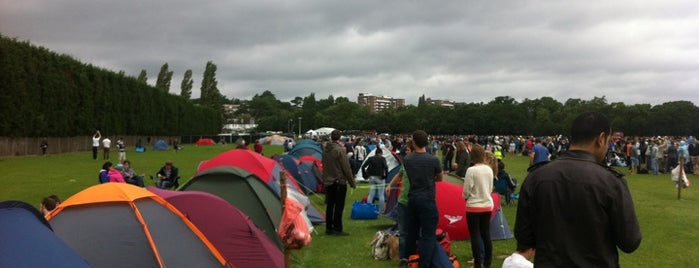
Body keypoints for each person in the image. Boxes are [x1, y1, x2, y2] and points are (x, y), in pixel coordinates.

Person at [515, 111, 642, 267]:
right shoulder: (611, 181)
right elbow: (630, 241)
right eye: (608, 141)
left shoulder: (536, 177)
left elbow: (524, 237)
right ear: (601, 139)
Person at [404, 130, 443, 268]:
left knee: (411, 233)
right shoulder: (433, 160)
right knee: (427, 235)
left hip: (413, 198)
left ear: (414, 142)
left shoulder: (407, 159)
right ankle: (424, 264)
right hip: (427, 199)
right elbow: (440, 177)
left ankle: (408, 259)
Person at [463, 144, 494, 268]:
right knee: (486, 234)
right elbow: (490, 188)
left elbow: (466, 190)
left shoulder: (471, 170)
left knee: (475, 235)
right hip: (486, 205)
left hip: (473, 206)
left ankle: (477, 263)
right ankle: (487, 263)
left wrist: (466, 197)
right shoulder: (489, 170)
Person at [385, 140, 414, 266]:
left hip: (414, 201)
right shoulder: (406, 163)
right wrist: (390, 185)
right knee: (402, 231)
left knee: (412, 230)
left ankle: (413, 255)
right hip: (403, 201)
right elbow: (399, 174)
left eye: (407, 150)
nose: (406, 152)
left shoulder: (418, 163)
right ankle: (403, 257)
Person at [322, 129, 356, 236]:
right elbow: (346, 168)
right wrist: (352, 182)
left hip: (328, 181)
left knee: (330, 205)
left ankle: (329, 227)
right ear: (340, 137)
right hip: (338, 181)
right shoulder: (339, 150)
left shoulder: (325, 150)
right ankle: (337, 228)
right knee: (339, 206)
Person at [361, 147, 389, 212]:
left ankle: (368, 209)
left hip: (371, 177)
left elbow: (363, 167)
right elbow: (386, 168)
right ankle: (381, 210)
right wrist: (385, 176)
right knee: (381, 194)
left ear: (375, 153)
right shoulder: (382, 159)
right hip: (380, 177)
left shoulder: (370, 158)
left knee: (371, 194)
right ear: (381, 153)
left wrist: (365, 175)